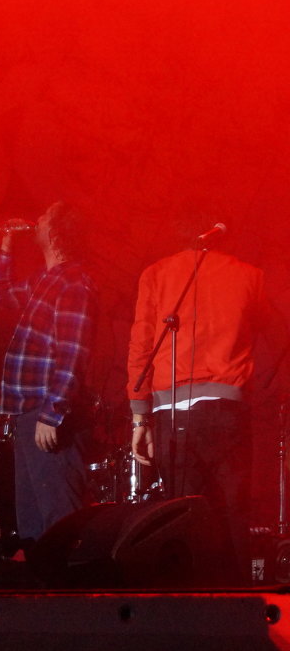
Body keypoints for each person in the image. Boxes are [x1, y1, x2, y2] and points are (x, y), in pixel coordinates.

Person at [127, 221, 285, 585]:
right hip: (227, 411)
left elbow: (141, 347)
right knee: (232, 520)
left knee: (184, 523)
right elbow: (273, 331)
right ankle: (239, 615)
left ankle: (186, 616)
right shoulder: (249, 275)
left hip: (172, 416)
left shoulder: (155, 275)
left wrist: (140, 417)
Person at [0, 201, 97, 551]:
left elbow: (73, 352)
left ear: (55, 231)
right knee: (33, 524)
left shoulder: (74, 282)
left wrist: (53, 412)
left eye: (45, 217)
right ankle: (41, 594)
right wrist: (6, 243)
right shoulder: (45, 280)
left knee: (59, 522)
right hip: (29, 412)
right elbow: (2, 295)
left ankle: (70, 597)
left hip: (50, 415)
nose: (36, 220)